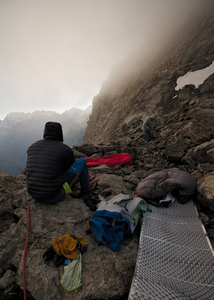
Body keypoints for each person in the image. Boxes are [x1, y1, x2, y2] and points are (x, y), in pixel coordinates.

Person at [26, 121, 96, 204]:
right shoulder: (65, 149)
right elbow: (68, 169)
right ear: (60, 133)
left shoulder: (32, 146)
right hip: (54, 195)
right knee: (82, 161)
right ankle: (86, 190)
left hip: (33, 194)